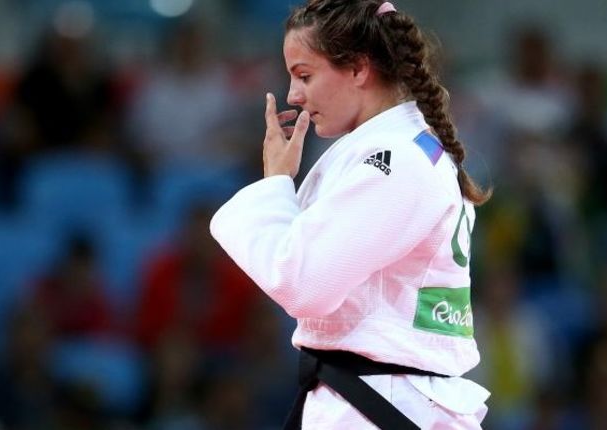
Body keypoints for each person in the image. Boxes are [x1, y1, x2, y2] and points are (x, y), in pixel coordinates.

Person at [209, 1, 492, 428]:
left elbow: (303, 284)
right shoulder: (402, 148)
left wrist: (274, 186)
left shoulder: (393, 160)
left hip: (379, 404)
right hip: (386, 397)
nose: (293, 95)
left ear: (359, 69)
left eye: (305, 75)